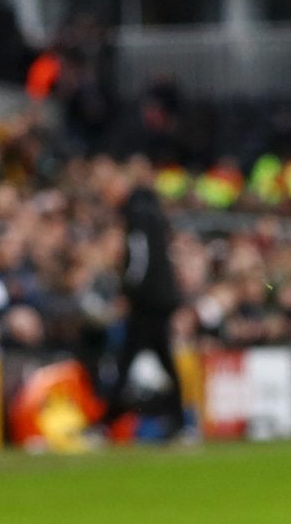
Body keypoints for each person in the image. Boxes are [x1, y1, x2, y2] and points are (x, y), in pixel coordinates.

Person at [115, 184, 184, 435]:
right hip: (163, 300)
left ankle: (110, 418)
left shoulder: (138, 218)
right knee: (164, 359)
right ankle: (177, 418)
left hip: (146, 303)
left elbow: (138, 260)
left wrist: (128, 290)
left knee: (127, 359)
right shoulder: (159, 220)